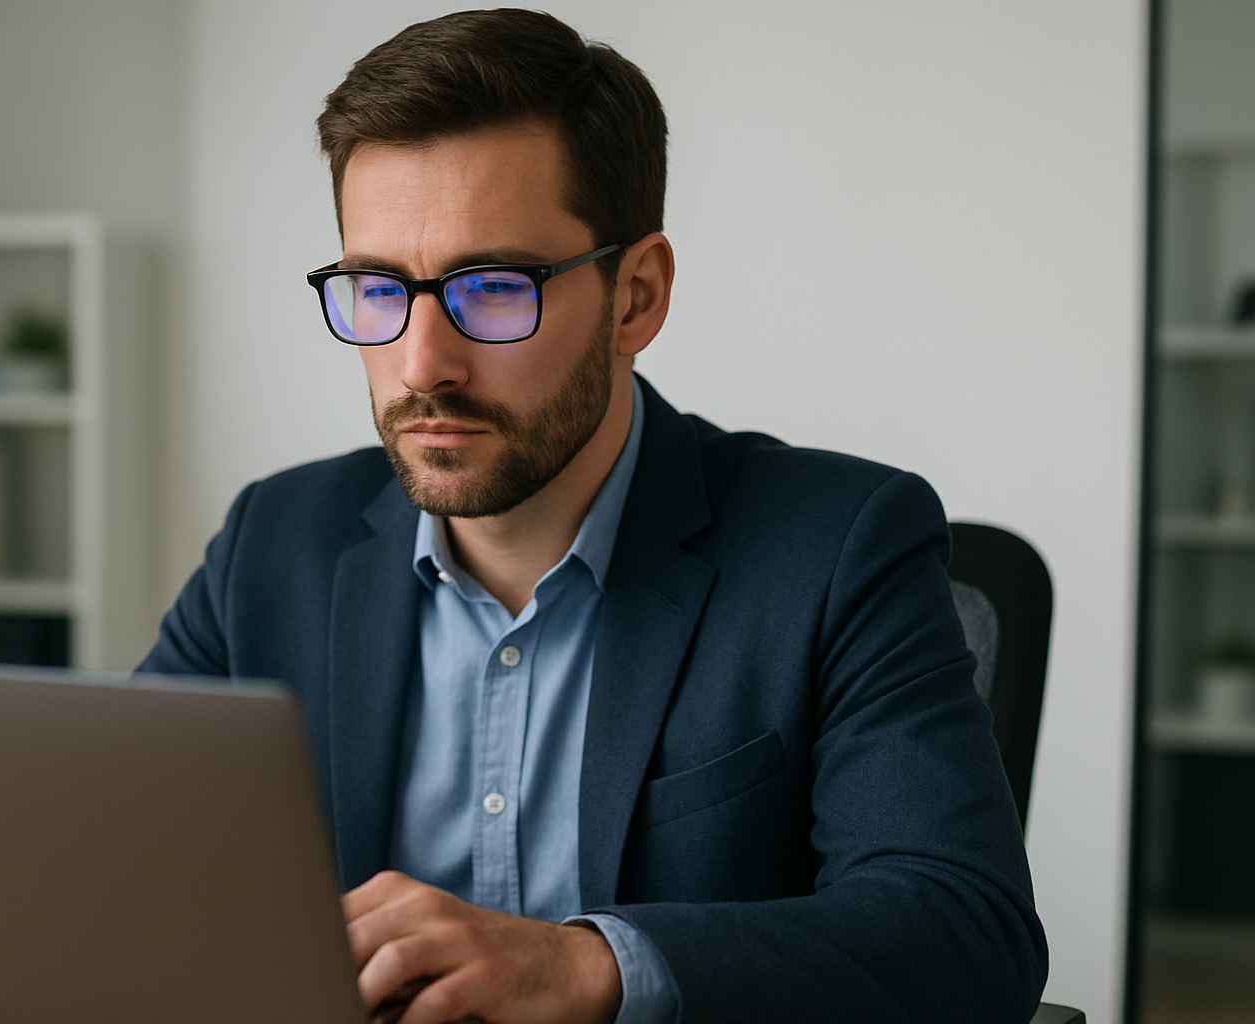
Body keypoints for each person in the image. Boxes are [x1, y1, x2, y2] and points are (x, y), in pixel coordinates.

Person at [139, 9, 1048, 1023]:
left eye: (492, 289)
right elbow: (107, 862)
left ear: (636, 297)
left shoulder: (839, 545)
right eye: (376, 288)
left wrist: (586, 967)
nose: (421, 363)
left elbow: (967, 934)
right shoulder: (274, 541)